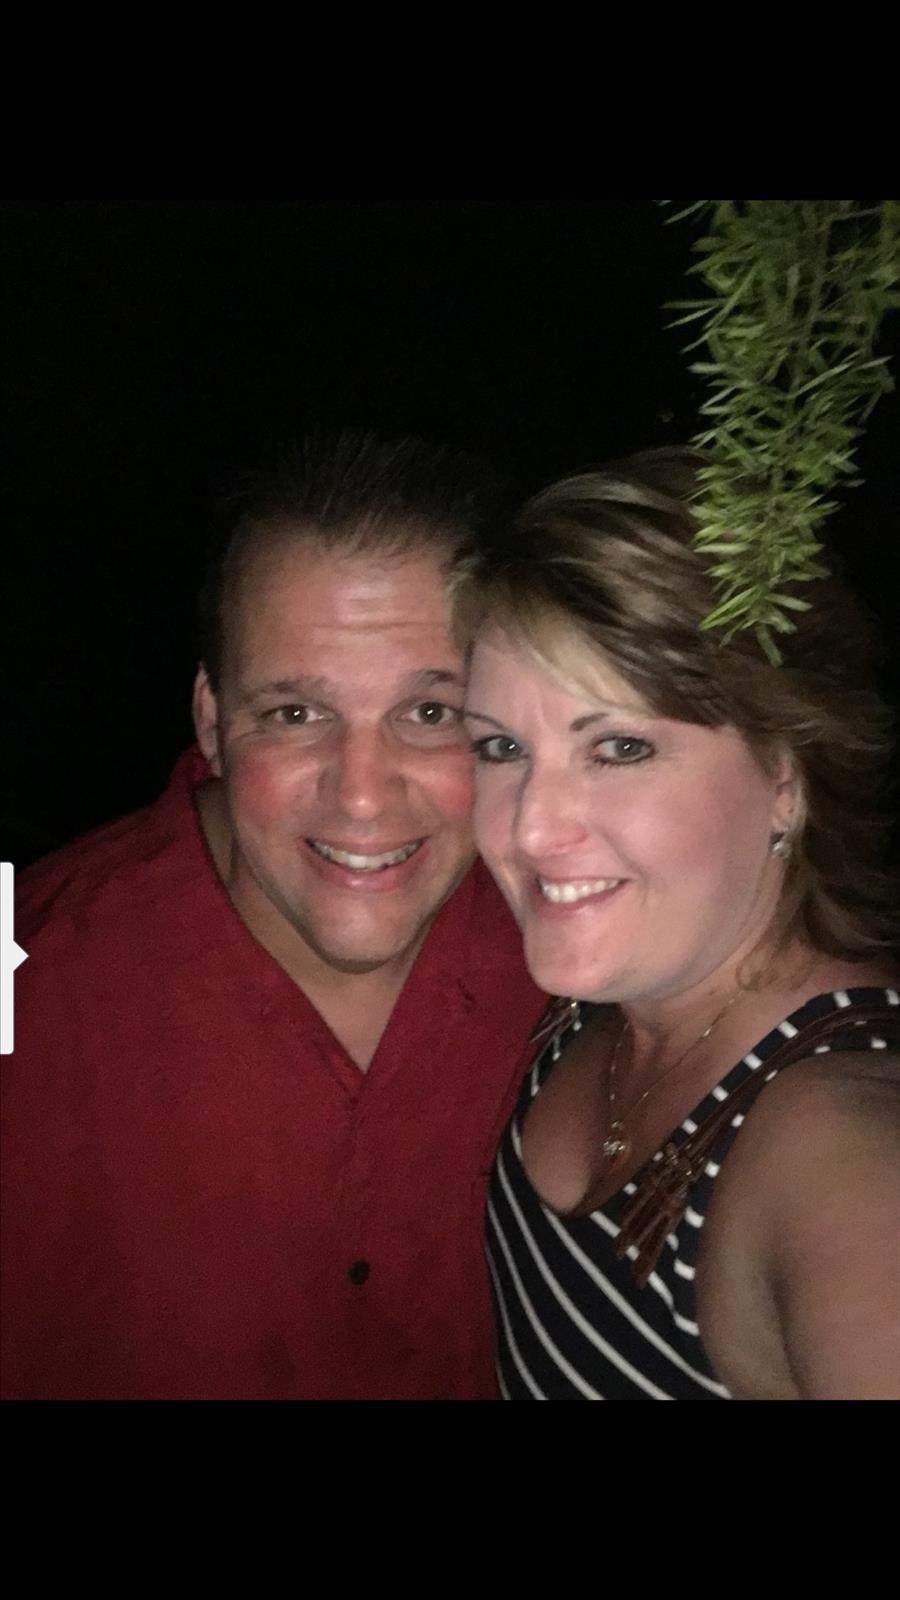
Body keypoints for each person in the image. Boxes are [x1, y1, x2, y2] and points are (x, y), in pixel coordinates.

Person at [1, 430, 546, 1401]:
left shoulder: (587, 961)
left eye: (431, 713)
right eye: (295, 714)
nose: (364, 795)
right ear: (212, 721)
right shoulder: (26, 978)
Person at [453, 448, 900, 1400]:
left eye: (619, 747)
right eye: (500, 746)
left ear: (786, 777)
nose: (527, 829)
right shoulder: (607, 996)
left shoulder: (838, 1134)